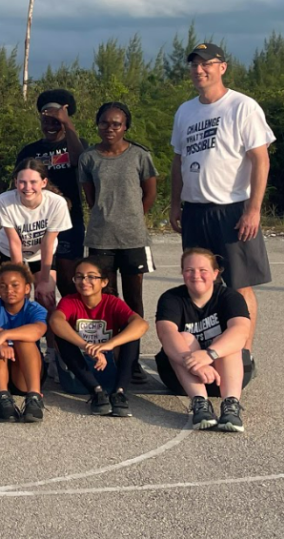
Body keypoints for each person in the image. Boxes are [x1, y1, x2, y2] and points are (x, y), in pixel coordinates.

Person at [170, 42, 274, 356]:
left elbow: (260, 160)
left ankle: (243, 353)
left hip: (232, 210)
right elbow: (178, 161)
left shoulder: (242, 106)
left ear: (222, 67)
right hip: (195, 209)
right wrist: (176, 203)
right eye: (194, 65)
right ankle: (210, 348)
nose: (199, 70)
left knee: (239, 285)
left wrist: (253, 209)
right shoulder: (186, 110)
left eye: (206, 64)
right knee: (200, 283)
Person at [79, 101, 157, 383]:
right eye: (104, 123)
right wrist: (107, 217)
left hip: (133, 237)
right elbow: (90, 197)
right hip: (101, 237)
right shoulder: (89, 158)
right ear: (97, 124)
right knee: (108, 299)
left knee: (134, 298)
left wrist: (133, 217)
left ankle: (132, 360)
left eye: (116, 124)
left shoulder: (139, 155)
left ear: (125, 127)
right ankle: (109, 357)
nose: (109, 128)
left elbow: (149, 193)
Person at [155, 248, 251, 432]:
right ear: (182, 273)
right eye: (189, 270)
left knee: (227, 340)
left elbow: (241, 331)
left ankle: (231, 405)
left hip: (226, 375)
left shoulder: (229, 297)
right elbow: (166, 334)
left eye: (203, 270)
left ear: (215, 273)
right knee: (183, 337)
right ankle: (200, 403)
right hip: (184, 378)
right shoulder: (171, 298)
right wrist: (195, 363)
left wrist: (209, 355)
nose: (196, 275)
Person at [49, 257, 149, 417]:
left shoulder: (112, 302)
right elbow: (55, 321)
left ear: (104, 282)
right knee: (62, 336)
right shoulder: (70, 301)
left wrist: (107, 345)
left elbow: (141, 324)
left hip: (109, 366)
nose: (84, 281)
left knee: (131, 334)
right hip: (79, 374)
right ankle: (96, 392)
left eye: (91, 276)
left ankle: (119, 392)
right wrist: (86, 346)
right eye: (79, 276)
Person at [16, 89, 85, 296]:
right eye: (46, 121)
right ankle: (46, 326)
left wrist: (68, 124)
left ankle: (69, 323)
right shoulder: (29, 151)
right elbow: (18, 184)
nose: (50, 126)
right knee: (42, 282)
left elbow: (80, 162)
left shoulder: (76, 146)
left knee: (67, 278)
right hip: (37, 224)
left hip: (69, 222)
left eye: (56, 122)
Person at [0, 158, 72, 312]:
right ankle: (23, 335)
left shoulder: (56, 203)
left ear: (44, 182)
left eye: (33, 182)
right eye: (22, 182)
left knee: (46, 298)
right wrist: (21, 281)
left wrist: (45, 279)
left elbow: (48, 243)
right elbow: (14, 243)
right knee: (18, 298)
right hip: (10, 251)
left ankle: (51, 336)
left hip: (42, 253)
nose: (27, 187)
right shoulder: (4, 201)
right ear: (15, 182)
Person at [0, 264, 48, 423]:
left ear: (27, 288)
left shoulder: (35, 309)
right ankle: (2, 397)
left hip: (23, 374)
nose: (9, 290)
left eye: (15, 285)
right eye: (3, 286)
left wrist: (6, 335)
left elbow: (38, 330)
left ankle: (34, 398)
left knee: (22, 338)